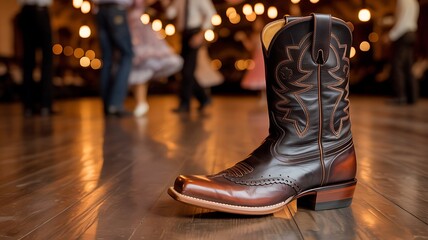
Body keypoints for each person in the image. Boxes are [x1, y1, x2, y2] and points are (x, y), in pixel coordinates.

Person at [127, 0, 183, 117]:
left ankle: (141, 101)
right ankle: (140, 101)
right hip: (129, 31)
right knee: (134, 69)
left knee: (141, 66)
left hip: (139, 33)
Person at [162, 0, 216, 113]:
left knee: (187, 71)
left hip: (195, 33)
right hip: (183, 35)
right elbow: (170, 13)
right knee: (185, 70)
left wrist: (201, 35)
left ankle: (185, 103)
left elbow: (211, 13)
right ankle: (203, 98)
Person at [93, 0, 134, 116]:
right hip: (116, 9)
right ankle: (115, 103)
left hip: (99, 10)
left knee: (107, 58)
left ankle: (107, 105)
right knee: (127, 54)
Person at [17, 0, 54, 117]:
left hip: (25, 11)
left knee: (28, 60)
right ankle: (45, 105)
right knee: (47, 60)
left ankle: (28, 106)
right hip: (40, 11)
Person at [388, 0, 420, 105]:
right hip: (412, 34)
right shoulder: (414, 2)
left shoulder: (402, 1)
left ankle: (400, 96)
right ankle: (412, 97)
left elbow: (402, 22)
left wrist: (390, 36)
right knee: (408, 66)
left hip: (403, 34)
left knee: (398, 66)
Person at [237, 18, 266, 105]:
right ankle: (262, 97)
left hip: (264, 58)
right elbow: (250, 48)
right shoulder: (254, 36)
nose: (257, 25)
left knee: (265, 78)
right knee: (260, 80)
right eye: (255, 24)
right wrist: (243, 39)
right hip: (257, 59)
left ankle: (266, 97)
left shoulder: (265, 34)